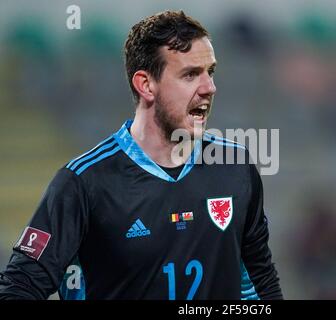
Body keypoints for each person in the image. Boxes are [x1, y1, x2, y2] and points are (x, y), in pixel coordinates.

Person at [0, 10, 283, 300]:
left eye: (209, 72)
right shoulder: (84, 182)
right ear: (146, 85)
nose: (209, 87)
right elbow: (19, 287)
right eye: (190, 75)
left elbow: (260, 280)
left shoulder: (235, 166)